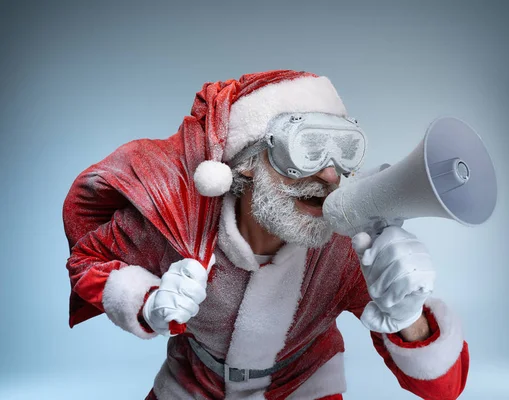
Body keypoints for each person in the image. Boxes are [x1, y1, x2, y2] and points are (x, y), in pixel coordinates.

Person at [63, 70, 469, 400]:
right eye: (305, 151)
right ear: (246, 165)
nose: (328, 176)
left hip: (305, 389)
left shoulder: (349, 247)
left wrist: (409, 316)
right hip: (190, 388)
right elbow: (86, 261)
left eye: (341, 151)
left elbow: (444, 389)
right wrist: (148, 303)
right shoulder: (176, 224)